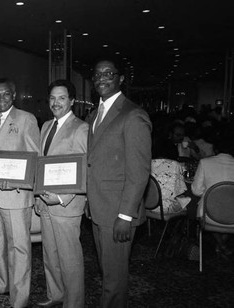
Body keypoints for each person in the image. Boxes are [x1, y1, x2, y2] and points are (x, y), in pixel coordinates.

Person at [86, 59, 152, 308]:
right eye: (97, 74)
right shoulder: (95, 114)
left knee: (114, 278)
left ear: (121, 79)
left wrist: (126, 215)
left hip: (118, 211)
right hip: (99, 208)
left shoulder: (133, 115)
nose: (102, 78)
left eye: (108, 73)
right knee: (108, 271)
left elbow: (139, 172)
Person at [0, 78, 40, 308]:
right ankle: (0, 284)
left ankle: (20, 298)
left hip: (16, 193)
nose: (1, 99)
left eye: (6, 95)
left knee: (19, 247)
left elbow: (34, 157)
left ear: (13, 96)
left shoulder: (26, 119)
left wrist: (20, 182)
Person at [35, 80, 88, 308]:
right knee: (50, 254)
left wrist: (61, 198)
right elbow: (40, 163)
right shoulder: (46, 126)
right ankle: (55, 294)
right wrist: (37, 196)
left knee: (70, 259)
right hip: (45, 202)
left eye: (61, 98)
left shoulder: (81, 128)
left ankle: (74, 303)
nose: (56, 103)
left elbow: (86, 168)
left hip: (67, 204)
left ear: (72, 101)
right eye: (52, 98)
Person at [191, 131, 234, 259]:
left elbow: (196, 191)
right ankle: (222, 245)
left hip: (208, 216)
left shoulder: (205, 162)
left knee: (211, 209)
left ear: (215, 149)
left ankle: (220, 245)